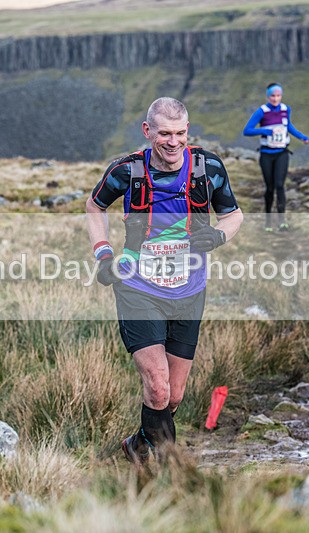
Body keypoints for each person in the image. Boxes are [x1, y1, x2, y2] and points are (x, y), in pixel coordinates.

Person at [86, 97, 243, 465]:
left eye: (181, 133)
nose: (173, 142)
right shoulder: (127, 172)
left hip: (190, 291)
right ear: (147, 131)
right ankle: (171, 473)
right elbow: (95, 207)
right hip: (138, 287)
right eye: (164, 133)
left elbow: (234, 215)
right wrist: (104, 252)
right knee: (157, 387)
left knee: (173, 396)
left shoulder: (208, 169)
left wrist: (219, 236)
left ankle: (138, 446)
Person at [243, 82, 309, 231]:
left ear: (281, 96)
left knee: (280, 185)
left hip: (282, 153)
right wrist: (265, 131)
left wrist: (302, 137)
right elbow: (247, 130)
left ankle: (282, 221)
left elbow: (289, 127)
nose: (275, 98)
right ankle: (268, 222)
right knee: (270, 187)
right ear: (268, 96)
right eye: (272, 96)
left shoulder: (286, 109)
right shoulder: (262, 111)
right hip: (266, 154)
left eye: (278, 95)